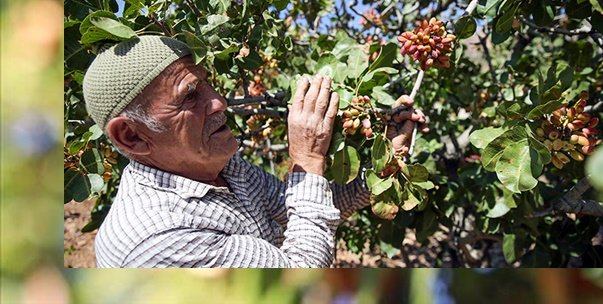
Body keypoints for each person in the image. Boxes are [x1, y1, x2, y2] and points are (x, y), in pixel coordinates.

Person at [82, 35, 424, 267]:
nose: (219, 101)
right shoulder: (156, 240)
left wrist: (384, 165)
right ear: (131, 136)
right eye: (189, 96)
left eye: (207, 84)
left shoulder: (220, 167)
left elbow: (303, 210)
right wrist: (307, 159)